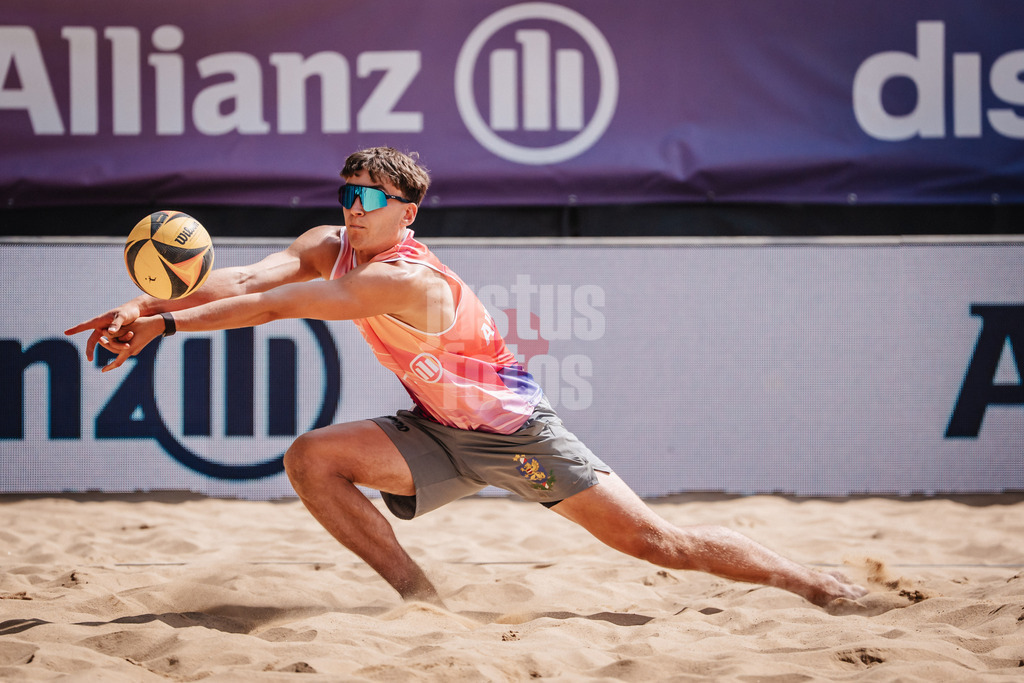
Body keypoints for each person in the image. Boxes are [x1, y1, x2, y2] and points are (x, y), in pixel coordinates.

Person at [66, 146, 867, 609]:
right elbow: (243, 283)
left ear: (406, 213)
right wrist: (141, 304)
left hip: (519, 437)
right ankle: (423, 599)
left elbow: (282, 307)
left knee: (658, 542)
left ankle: (820, 585)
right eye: (348, 195)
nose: (353, 208)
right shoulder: (330, 240)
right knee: (312, 459)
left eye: (370, 199)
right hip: (439, 431)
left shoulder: (407, 278)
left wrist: (166, 324)